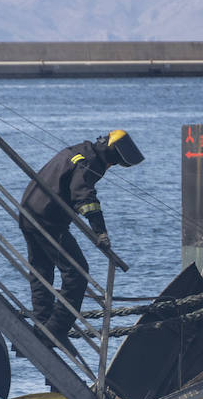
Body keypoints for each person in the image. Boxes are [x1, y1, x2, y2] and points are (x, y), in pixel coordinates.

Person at [19, 129, 143, 345]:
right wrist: (100, 231)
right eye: (114, 164)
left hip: (29, 213)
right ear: (113, 155)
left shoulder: (80, 150)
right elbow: (84, 197)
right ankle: (54, 330)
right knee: (76, 274)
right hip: (48, 221)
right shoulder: (91, 162)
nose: (111, 168)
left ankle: (41, 326)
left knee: (42, 272)